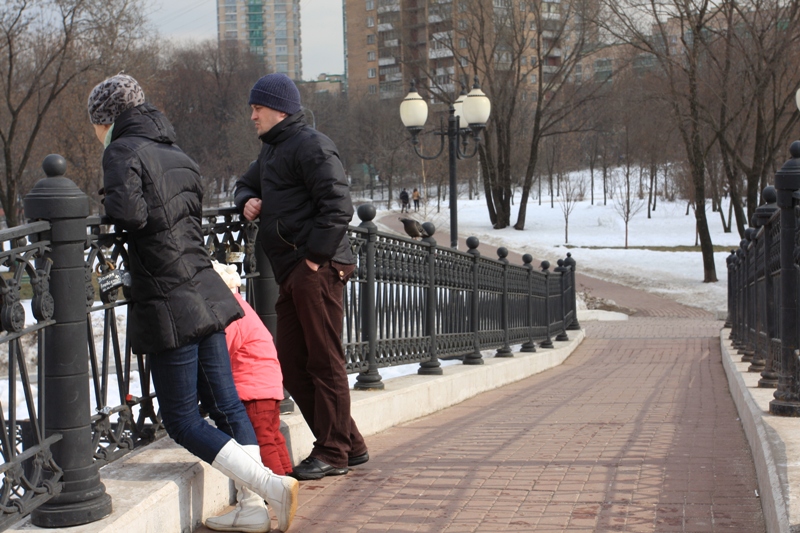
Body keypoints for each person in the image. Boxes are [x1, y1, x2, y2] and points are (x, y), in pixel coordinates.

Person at [88, 73, 297, 533]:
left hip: (169, 298)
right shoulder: (176, 152)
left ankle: (271, 487)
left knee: (181, 419)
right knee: (226, 406)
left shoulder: (123, 151)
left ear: (107, 121)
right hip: (206, 290)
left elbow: (130, 215)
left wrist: (111, 194)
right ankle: (255, 508)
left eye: (96, 127)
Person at [234, 73, 369, 481]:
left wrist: (314, 259)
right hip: (292, 272)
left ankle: (333, 452)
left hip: (317, 269)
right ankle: (351, 444)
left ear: (279, 109)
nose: (252, 116)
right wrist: (248, 200)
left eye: (257, 108)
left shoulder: (311, 144)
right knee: (291, 364)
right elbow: (243, 184)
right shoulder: (272, 152)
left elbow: (338, 205)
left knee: (325, 361)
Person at [206, 261, 294, 532]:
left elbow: (224, 350)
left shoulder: (229, 313)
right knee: (273, 434)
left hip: (252, 388)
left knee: (262, 438)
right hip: (269, 385)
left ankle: (276, 488)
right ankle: (288, 477)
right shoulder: (244, 308)